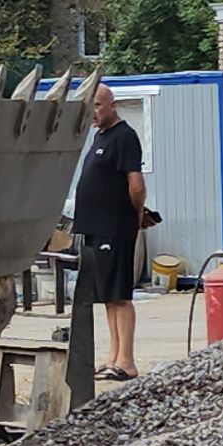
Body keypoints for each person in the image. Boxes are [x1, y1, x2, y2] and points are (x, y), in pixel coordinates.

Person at [73, 84, 148, 380]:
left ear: (112, 106)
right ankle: (112, 356)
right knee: (106, 295)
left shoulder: (125, 137)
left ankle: (127, 361)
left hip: (114, 228)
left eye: (98, 106)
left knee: (119, 295)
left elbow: (136, 184)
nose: (93, 113)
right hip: (95, 229)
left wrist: (137, 214)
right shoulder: (99, 137)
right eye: (89, 107)